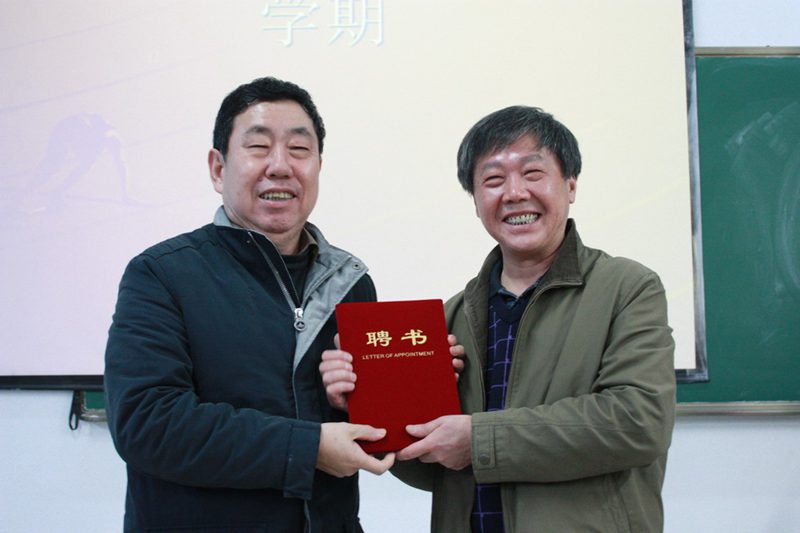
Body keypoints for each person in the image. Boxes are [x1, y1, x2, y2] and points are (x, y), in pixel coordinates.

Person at [322, 106, 676, 532]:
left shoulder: (628, 288)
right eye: (493, 180)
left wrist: (479, 441)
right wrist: (364, 404)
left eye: (532, 173)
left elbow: (637, 423)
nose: (514, 193)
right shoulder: (450, 317)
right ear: (475, 201)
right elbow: (431, 468)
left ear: (570, 184)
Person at [104, 76, 396, 533]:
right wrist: (308, 448)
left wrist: (363, 399)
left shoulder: (352, 281)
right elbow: (147, 424)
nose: (280, 166)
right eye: (258, 147)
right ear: (218, 168)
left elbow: (364, 429)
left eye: (299, 149)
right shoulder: (162, 274)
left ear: (319, 166)